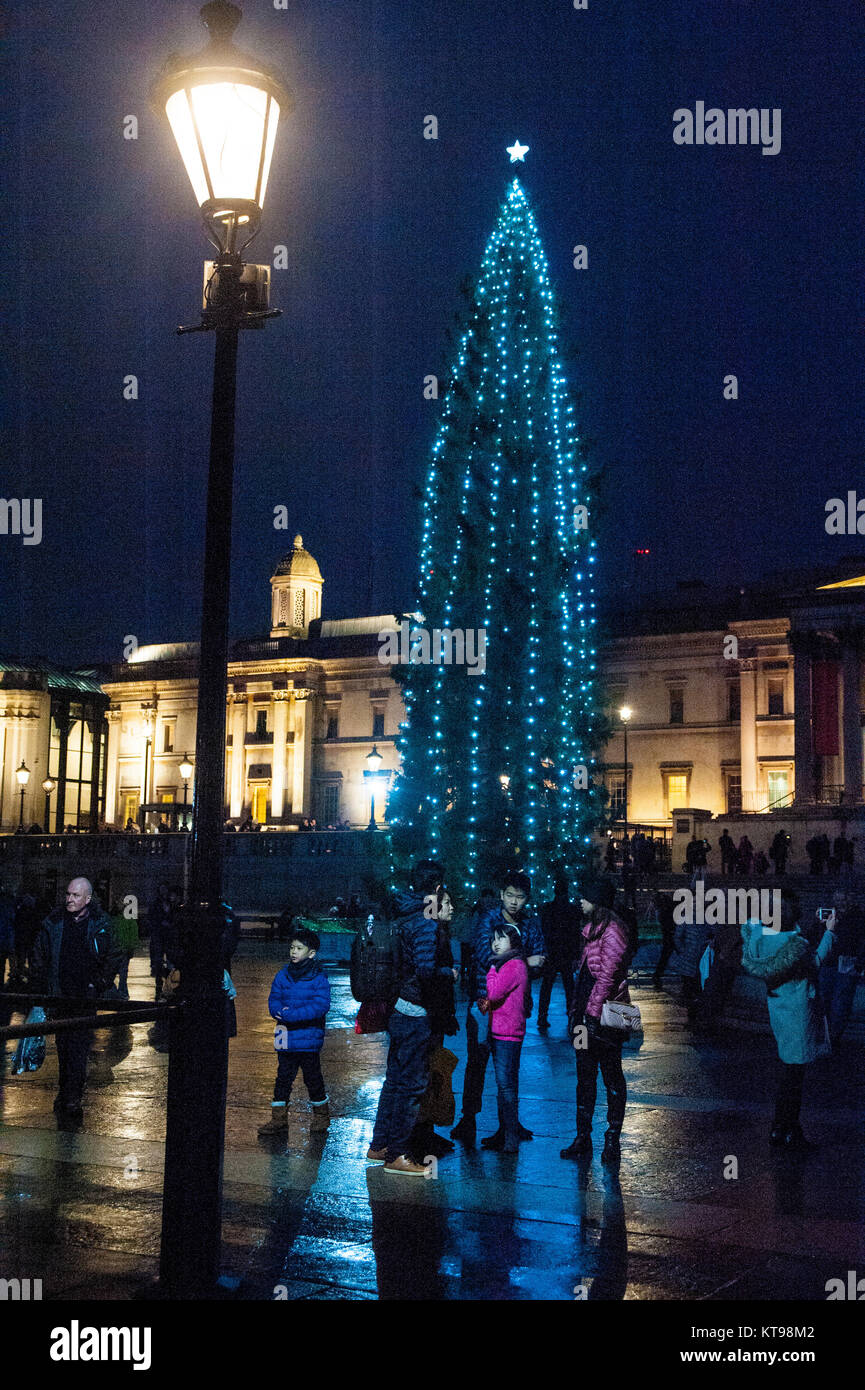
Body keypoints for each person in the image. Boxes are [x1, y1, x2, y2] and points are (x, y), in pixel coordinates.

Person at [368, 861, 459, 1175]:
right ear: (436, 887)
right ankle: (397, 1154)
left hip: (398, 1007)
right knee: (411, 1085)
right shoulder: (425, 921)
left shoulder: (404, 912)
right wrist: (450, 972)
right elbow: (424, 969)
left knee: (394, 1080)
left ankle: (379, 1144)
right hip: (414, 1010)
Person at [451, 869, 546, 1149]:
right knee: (477, 1063)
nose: (515, 902)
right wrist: (522, 962)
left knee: (508, 1070)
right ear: (502, 895)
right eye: (510, 896)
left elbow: (542, 959)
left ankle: (509, 1126)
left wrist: (522, 966)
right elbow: (485, 954)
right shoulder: (488, 920)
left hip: (513, 1008)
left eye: (520, 897)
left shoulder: (530, 923)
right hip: (483, 1003)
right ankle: (468, 1118)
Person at [741, 890, 836, 1149]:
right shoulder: (795, 946)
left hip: (778, 1007)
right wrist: (828, 932)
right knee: (795, 1075)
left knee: (789, 1071)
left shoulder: (760, 935)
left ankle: (780, 1127)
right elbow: (813, 963)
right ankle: (788, 1129)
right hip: (798, 1009)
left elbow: (770, 931)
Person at [29, 877, 119, 1126]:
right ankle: (66, 1092)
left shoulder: (100, 923)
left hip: (84, 998)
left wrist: (99, 983)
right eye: (68, 894)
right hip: (60, 996)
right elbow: (39, 955)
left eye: (75, 895)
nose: (69, 899)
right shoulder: (54, 922)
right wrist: (42, 987)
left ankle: (72, 1096)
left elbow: (113, 955)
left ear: (87, 899)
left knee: (78, 1048)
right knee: (64, 1047)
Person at [561, 876, 633, 1165]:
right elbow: (584, 975)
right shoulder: (591, 929)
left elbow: (606, 977)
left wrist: (590, 1014)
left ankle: (612, 1138)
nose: (579, 900)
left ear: (598, 900)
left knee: (611, 1073)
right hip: (586, 1012)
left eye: (585, 896)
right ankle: (583, 1136)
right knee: (584, 1073)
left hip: (607, 1014)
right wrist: (576, 1013)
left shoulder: (613, 931)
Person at [259, 926, 332, 1137]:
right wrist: (279, 1012)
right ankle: (278, 1119)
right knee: (282, 1078)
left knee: (313, 1078)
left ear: (311, 953)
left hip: (308, 1038)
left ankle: (321, 1116)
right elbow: (274, 1000)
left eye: (299, 948)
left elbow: (321, 1006)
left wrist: (291, 1015)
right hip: (284, 1036)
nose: (293, 952)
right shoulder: (283, 975)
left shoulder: (318, 978)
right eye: (292, 947)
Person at [479, 924, 530, 1153]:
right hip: (503, 1031)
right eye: (493, 939)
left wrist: (491, 970)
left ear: (513, 942)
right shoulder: (511, 963)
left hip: (507, 1034)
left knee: (506, 1086)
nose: (496, 943)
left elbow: (494, 993)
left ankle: (510, 1138)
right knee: (504, 1086)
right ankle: (505, 1133)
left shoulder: (512, 965)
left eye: (501, 939)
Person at [816, 890, 865, 1050]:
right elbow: (815, 936)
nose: (840, 902)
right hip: (829, 962)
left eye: (843, 899)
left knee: (841, 1003)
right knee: (825, 1000)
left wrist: (860, 962)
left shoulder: (858, 916)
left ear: (850, 899)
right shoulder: (831, 915)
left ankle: (833, 1038)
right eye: (837, 899)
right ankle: (826, 1035)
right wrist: (819, 923)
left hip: (847, 962)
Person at [537, 876, 582, 1029]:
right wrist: (576, 955)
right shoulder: (572, 910)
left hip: (552, 952)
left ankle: (542, 1016)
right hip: (566, 953)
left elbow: (544, 930)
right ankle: (571, 1015)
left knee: (547, 985)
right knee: (569, 986)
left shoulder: (548, 909)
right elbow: (575, 934)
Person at [108, 897, 139, 1000]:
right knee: (122, 972)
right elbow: (133, 934)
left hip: (121, 949)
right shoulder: (126, 918)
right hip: (122, 949)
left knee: (119, 971)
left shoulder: (113, 918)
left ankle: (119, 991)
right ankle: (122, 991)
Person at [652, 890, 676, 991]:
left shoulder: (662, 912)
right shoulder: (667, 910)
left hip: (668, 936)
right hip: (672, 935)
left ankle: (657, 975)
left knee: (665, 957)